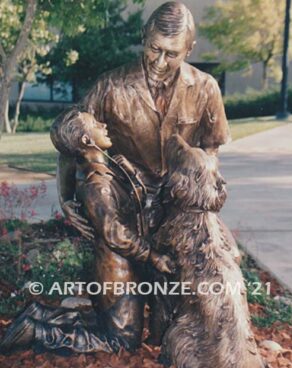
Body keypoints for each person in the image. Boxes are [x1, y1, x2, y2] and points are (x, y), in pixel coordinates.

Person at [50, 1, 230, 343]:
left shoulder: (206, 88)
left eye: (172, 54)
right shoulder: (109, 86)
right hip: (123, 211)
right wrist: (65, 196)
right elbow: (71, 141)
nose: (160, 62)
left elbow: (211, 149)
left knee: (174, 331)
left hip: (176, 212)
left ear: (189, 50)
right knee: (122, 333)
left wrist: (198, 191)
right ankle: (45, 325)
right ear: (143, 37)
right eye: (154, 49)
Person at [0, 113, 175, 354]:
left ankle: (39, 314)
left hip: (124, 267)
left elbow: (133, 207)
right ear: (85, 140)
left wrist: (131, 175)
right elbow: (114, 233)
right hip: (118, 274)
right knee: (121, 341)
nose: (104, 125)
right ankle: (39, 332)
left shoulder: (106, 169)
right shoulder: (96, 186)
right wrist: (153, 256)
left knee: (106, 324)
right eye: (96, 124)